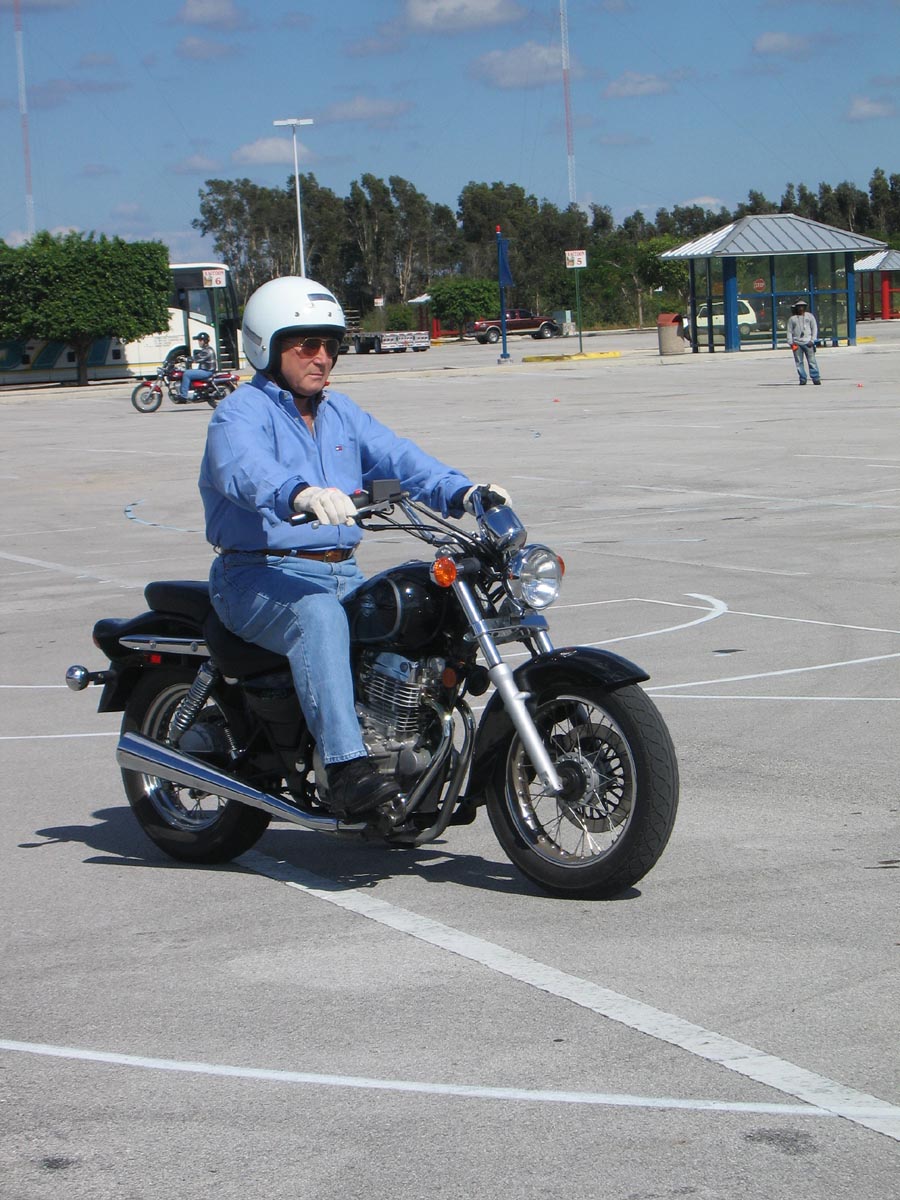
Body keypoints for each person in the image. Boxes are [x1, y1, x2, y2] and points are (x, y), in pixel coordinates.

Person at [199, 276, 509, 818]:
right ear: (267, 345)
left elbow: (400, 458)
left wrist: (464, 492)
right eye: (307, 345)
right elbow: (245, 469)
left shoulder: (340, 413)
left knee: (420, 608)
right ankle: (345, 770)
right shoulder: (239, 413)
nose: (322, 357)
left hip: (342, 570)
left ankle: (414, 749)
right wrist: (299, 493)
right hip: (256, 576)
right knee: (318, 615)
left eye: (330, 346)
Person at [786, 299, 821, 386]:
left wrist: (812, 340)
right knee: (799, 362)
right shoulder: (792, 319)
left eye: (802, 306)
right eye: (799, 307)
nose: (801, 308)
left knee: (812, 361)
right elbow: (789, 331)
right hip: (797, 343)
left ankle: (816, 378)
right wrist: (791, 343)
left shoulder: (810, 316)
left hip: (808, 342)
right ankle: (802, 378)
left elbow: (814, 328)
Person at [179, 332, 217, 400]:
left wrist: (186, 359)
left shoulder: (207, 351)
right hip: (205, 370)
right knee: (189, 372)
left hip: (207, 371)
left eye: (200, 340)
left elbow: (197, 358)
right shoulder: (207, 349)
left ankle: (183, 396)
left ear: (205, 341)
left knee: (186, 374)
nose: (199, 342)